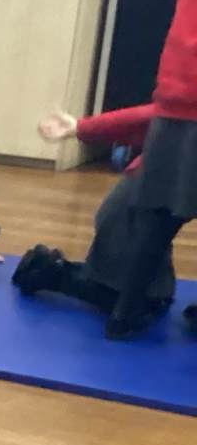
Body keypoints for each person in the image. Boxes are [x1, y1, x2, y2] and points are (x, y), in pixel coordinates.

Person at [16, 104, 179, 338]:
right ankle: (51, 273)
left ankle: (137, 290)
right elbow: (157, 115)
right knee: (139, 297)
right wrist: (81, 128)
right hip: (153, 182)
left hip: (167, 181)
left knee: (152, 278)